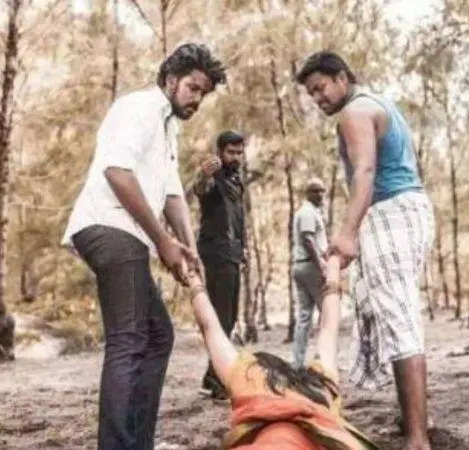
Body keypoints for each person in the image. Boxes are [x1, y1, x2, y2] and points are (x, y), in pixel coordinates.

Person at [61, 43, 226, 450]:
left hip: (125, 234)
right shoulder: (140, 107)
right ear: (170, 79)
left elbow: (172, 195)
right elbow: (116, 172)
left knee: (157, 336)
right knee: (130, 339)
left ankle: (138, 442)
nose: (197, 99)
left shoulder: (168, 127)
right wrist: (163, 241)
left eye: (203, 93)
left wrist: (189, 249)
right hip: (109, 227)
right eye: (192, 88)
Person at [296, 51, 435, 450]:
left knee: (399, 319)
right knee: (395, 314)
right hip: (411, 208)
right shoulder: (379, 103)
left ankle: (418, 439)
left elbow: (365, 171)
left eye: (321, 88)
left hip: (390, 210)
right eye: (311, 94)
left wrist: (347, 233)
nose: (318, 98)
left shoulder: (354, 112)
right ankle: (415, 418)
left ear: (342, 77)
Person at [185, 257, 379, 449]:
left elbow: (210, 327)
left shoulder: (251, 377)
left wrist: (191, 276)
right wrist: (333, 267)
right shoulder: (319, 384)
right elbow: (329, 328)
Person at [194, 130, 246, 400]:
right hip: (216, 254)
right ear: (220, 152)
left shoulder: (236, 181)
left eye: (239, 153)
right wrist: (203, 175)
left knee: (229, 318)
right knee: (222, 318)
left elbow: (237, 220)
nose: (235, 157)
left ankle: (211, 377)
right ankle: (217, 381)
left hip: (232, 255)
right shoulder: (214, 176)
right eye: (230, 152)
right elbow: (201, 189)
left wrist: (242, 250)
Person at [292, 178, 328, 370]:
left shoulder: (311, 212)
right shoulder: (307, 212)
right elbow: (308, 239)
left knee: (305, 317)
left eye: (322, 191)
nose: (320, 195)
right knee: (327, 313)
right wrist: (321, 265)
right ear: (307, 193)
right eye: (316, 191)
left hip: (301, 266)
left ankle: (298, 363)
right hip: (310, 266)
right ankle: (323, 360)